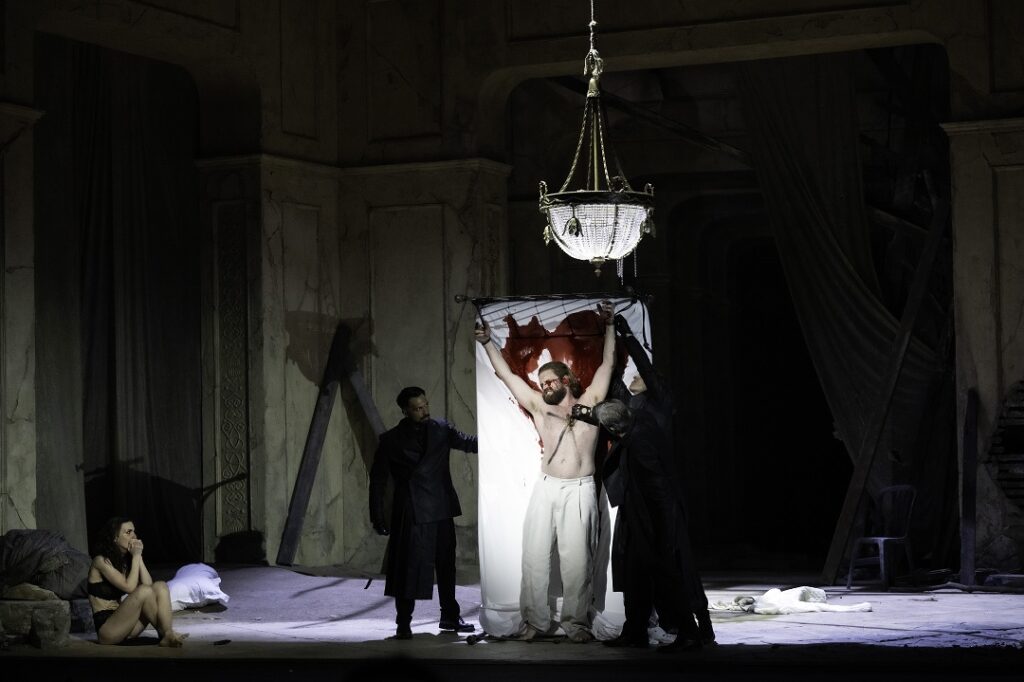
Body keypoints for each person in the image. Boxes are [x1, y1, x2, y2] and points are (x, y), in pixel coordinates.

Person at [474, 301, 616, 642]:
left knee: (577, 562)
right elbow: (508, 377)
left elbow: (608, 363)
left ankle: (575, 623)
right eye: (542, 383)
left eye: (550, 381)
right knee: (534, 557)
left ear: (566, 380)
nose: (545, 387)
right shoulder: (539, 406)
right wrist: (487, 342)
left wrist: (610, 325)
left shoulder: (591, 401)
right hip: (547, 486)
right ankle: (536, 621)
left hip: (580, 489)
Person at [613, 314, 715, 645]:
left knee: (673, 564)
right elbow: (615, 383)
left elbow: (645, 369)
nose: (634, 377)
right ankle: (635, 630)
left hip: (660, 498)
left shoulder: (659, 404)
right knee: (634, 565)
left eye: (640, 376)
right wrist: (611, 341)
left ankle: (695, 629)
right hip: (636, 498)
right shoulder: (633, 408)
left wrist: (628, 336)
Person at [588, 399, 705, 652]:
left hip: (653, 520)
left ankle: (690, 633)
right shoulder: (639, 418)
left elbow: (660, 493)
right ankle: (635, 631)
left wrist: (664, 533)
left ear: (614, 429)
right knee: (633, 574)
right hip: (637, 515)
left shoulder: (640, 446)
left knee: (666, 575)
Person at [369, 386, 479, 640]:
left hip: (440, 507)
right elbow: (378, 481)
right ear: (405, 411)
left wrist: (501, 434)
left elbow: (469, 443)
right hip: (412, 511)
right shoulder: (391, 440)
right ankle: (403, 623)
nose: (424, 411)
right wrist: (377, 516)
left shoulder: (441, 429)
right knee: (408, 568)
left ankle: (450, 616)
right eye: (418, 408)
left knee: (446, 565)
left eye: (425, 405)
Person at [87, 517, 187, 646]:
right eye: (128, 532)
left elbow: (149, 585)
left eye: (134, 531)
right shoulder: (100, 561)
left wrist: (139, 557)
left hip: (126, 625)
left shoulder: (124, 562)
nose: (134, 536)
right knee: (143, 590)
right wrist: (136, 556)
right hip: (108, 630)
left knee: (160, 585)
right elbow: (129, 587)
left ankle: (167, 633)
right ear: (115, 538)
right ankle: (168, 634)